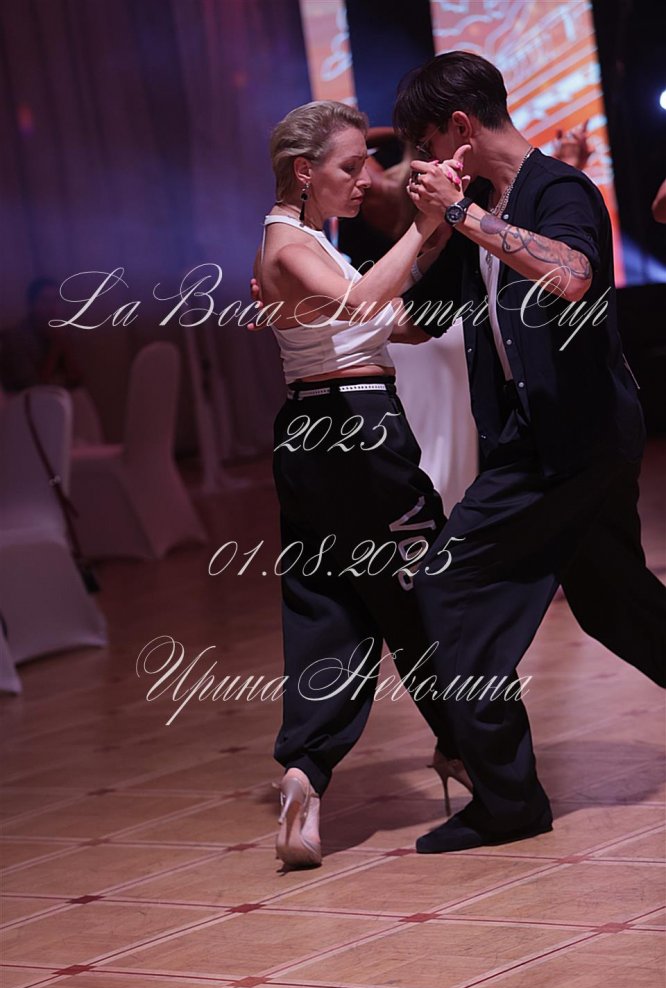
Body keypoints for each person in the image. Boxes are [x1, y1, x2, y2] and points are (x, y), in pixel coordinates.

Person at [388, 50, 666, 853]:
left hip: (573, 441)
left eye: (427, 144)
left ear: (461, 128)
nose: (424, 162)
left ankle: (508, 799)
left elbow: (573, 276)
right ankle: (505, 792)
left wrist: (462, 214)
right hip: (541, 440)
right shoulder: (482, 205)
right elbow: (414, 318)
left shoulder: (556, 190)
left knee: (449, 585)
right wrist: (322, 312)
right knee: (613, 602)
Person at [256, 100, 471, 868]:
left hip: (316, 433)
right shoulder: (289, 245)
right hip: (356, 430)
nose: (364, 180)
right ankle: (467, 742)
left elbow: (399, 322)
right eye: (349, 167)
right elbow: (361, 304)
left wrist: (451, 230)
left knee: (332, 601)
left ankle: (305, 771)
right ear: (303, 171)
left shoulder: (313, 242)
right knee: (424, 588)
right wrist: (424, 226)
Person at [0, 278, 81, 392]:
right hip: (23, 399)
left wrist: (65, 346)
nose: (52, 307)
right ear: (31, 305)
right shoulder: (15, 339)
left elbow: (76, 380)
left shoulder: (62, 331)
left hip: (59, 394)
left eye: (56, 300)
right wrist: (56, 346)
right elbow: (33, 387)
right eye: (44, 301)